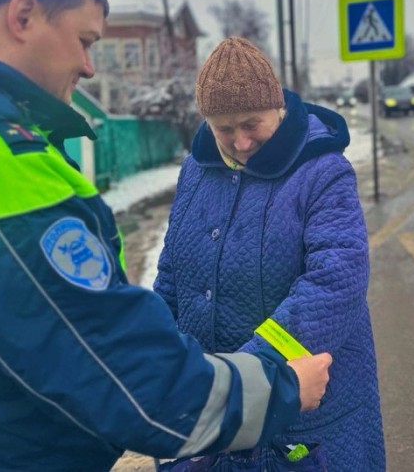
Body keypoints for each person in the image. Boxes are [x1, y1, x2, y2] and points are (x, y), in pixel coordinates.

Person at [0, 0, 332, 471]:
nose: (89, 67)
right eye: (85, 41)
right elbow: (135, 381)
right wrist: (281, 387)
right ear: (23, 16)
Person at [154, 37, 386, 471]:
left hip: (304, 413)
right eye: (224, 128)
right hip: (213, 408)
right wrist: (160, 358)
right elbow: (171, 275)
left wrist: (258, 369)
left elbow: (335, 279)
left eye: (251, 124)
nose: (240, 141)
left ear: (277, 109)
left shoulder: (321, 171)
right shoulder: (195, 172)